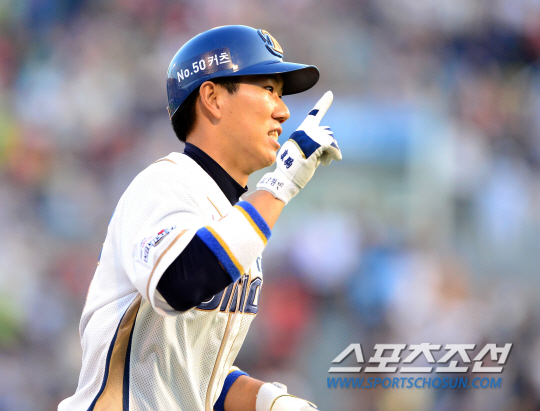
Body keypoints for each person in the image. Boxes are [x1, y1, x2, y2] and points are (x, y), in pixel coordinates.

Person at [59, 25, 341, 411]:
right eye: (268, 88)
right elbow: (177, 283)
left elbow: (196, 377)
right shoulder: (166, 183)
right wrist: (280, 185)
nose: (283, 110)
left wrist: (270, 402)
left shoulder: (231, 214)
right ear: (213, 98)